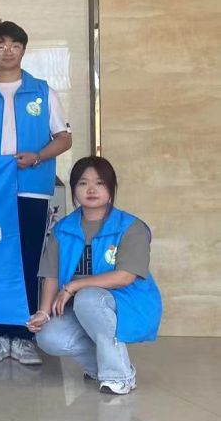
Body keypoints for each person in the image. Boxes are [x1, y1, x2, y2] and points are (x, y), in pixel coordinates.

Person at [0, 21, 72, 366]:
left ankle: (23, 337)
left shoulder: (42, 92)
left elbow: (64, 138)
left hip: (32, 190)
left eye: (14, 45)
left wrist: (37, 157)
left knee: (28, 260)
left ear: (23, 50)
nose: (7, 51)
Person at [29, 157, 161, 395]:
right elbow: (51, 274)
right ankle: (102, 368)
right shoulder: (62, 229)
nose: (91, 189)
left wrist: (74, 286)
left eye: (99, 183)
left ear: (111, 188)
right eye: (83, 183)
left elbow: (125, 277)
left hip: (127, 302)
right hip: (81, 306)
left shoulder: (130, 227)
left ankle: (120, 376)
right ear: (74, 190)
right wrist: (43, 312)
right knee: (49, 336)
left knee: (88, 297)